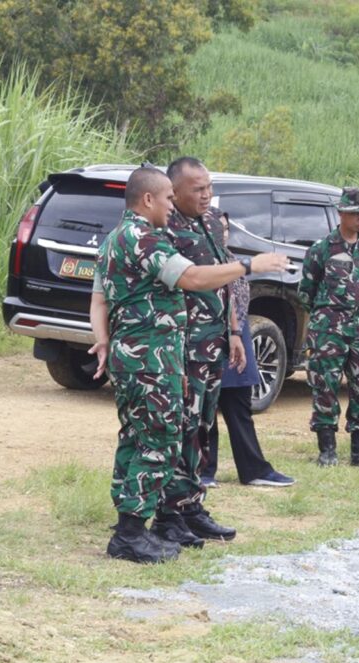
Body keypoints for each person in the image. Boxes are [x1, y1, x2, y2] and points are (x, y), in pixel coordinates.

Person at [88, 166, 287, 563]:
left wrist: (105, 341)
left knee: (136, 438)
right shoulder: (144, 238)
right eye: (166, 199)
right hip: (152, 357)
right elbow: (193, 278)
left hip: (136, 354)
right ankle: (130, 535)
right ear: (148, 200)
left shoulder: (114, 238)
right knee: (158, 439)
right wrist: (251, 267)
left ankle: (132, 525)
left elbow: (99, 298)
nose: (170, 206)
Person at [160, 157, 243, 543]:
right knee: (182, 427)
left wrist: (235, 332)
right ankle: (171, 511)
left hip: (214, 342)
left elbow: (223, 280)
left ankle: (192, 504)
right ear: (174, 192)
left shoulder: (211, 222)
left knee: (203, 426)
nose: (206, 194)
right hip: (183, 345)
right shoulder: (165, 227)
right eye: (197, 189)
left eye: (209, 187)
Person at [202, 212, 295, 487]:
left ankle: (254, 469)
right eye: (218, 228)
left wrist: (236, 334)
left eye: (227, 228)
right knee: (205, 411)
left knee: (239, 405)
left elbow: (235, 303)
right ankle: (204, 472)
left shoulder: (230, 260)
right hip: (208, 339)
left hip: (236, 336)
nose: (224, 233)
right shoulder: (200, 263)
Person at [299, 187, 359, 468]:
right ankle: (328, 450)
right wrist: (327, 317)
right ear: (341, 214)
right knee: (325, 386)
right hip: (329, 330)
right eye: (355, 214)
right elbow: (306, 291)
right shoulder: (321, 249)